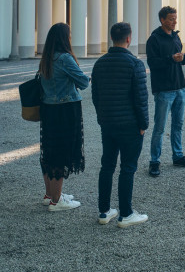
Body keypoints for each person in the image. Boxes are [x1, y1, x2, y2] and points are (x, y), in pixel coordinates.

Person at [91, 22, 150, 228]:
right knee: (128, 168)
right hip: (130, 125)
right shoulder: (135, 64)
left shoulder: (100, 63)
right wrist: (144, 124)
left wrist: (102, 119)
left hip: (108, 124)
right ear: (128, 38)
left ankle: (104, 211)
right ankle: (126, 213)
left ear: (111, 38)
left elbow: (96, 96)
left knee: (107, 166)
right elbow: (140, 99)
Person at [146, 6, 185, 177]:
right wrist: (171, 59)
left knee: (178, 125)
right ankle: (154, 161)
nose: (174, 21)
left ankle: (177, 156)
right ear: (162, 20)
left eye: (175, 18)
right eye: (171, 19)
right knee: (159, 127)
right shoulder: (154, 40)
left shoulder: (175, 37)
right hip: (164, 90)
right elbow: (153, 64)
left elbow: (179, 59)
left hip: (180, 87)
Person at [38, 22, 89, 211]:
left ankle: (50, 194)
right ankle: (57, 200)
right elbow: (83, 82)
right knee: (62, 152)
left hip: (48, 110)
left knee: (49, 151)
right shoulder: (65, 59)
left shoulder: (46, 58)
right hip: (66, 109)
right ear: (64, 38)